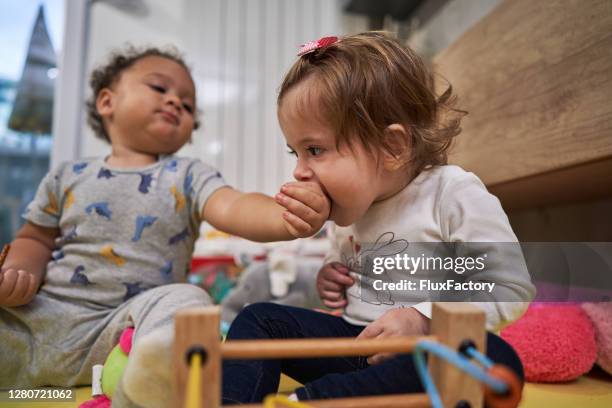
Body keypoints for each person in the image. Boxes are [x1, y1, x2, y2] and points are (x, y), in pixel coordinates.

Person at [0, 46, 329, 406]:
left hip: (126, 333)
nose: (175, 102)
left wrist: (286, 217)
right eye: (159, 88)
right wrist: (18, 271)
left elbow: (234, 206)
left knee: (190, 302)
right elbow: (34, 237)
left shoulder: (188, 175)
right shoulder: (67, 175)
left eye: (187, 105)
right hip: (43, 319)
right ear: (107, 102)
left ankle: (146, 386)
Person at [221, 32, 535, 404]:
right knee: (259, 318)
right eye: (296, 152)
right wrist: (331, 277)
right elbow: (348, 272)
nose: (300, 171)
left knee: (496, 359)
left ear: (392, 147)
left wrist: (424, 319)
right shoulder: (350, 207)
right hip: (355, 342)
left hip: (422, 351)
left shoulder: (452, 193)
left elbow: (508, 285)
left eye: (315, 149)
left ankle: (309, 400)